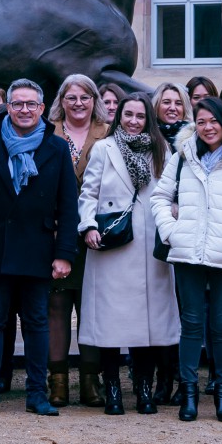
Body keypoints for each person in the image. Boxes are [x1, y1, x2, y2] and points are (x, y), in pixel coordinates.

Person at [0, 79, 81, 417]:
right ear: (7, 107)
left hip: (38, 247)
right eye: (17, 104)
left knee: (38, 322)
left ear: (41, 109)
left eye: (31, 104)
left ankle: (37, 394)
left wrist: (64, 253)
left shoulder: (56, 147)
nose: (24, 110)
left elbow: (68, 206)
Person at [149, 96, 222, 422]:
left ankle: (221, 393)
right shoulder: (182, 158)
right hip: (187, 252)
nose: (207, 127)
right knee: (190, 324)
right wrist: (172, 232)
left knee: (221, 324)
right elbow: (160, 198)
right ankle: (189, 393)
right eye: (201, 122)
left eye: (213, 121)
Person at [78, 93, 179, 414]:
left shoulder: (162, 149)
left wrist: (175, 216)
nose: (133, 121)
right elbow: (88, 192)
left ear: (148, 118)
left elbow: (173, 192)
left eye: (139, 116)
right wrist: (88, 226)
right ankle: (113, 392)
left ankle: (144, 390)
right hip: (112, 243)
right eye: (128, 114)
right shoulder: (104, 149)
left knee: (145, 324)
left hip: (150, 245)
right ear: (119, 115)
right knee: (110, 324)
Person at [49, 74, 107, 407]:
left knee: (93, 309)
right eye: (71, 97)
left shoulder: (108, 132)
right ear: (62, 100)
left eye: (85, 97)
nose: (79, 103)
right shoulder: (47, 132)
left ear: (94, 100)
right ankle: (57, 381)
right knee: (56, 306)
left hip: (95, 233)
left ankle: (90, 380)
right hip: (55, 232)